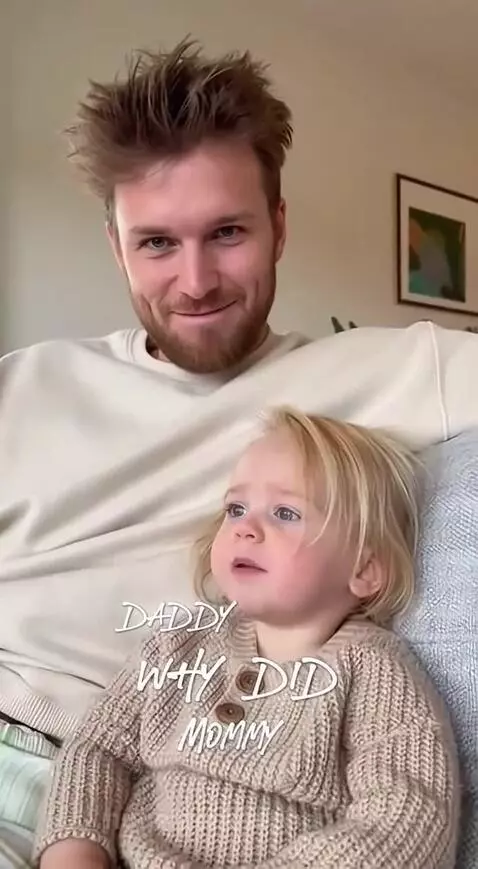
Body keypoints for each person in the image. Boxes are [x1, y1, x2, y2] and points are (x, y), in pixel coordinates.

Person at [0, 36, 474, 865]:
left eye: (227, 232)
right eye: (155, 243)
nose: (195, 281)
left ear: (279, 226)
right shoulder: (21, 386)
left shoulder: (394, 371)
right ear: (116, 246)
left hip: (90, 786)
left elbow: (405, 805)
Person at [34, 408, 460, 869]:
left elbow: (407, 813)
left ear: (363, 568)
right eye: (235, 508)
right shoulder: (178, 647)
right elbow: (99, 751)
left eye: (285, 512)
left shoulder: (375, 673)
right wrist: (74, 852)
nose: (245, 527)